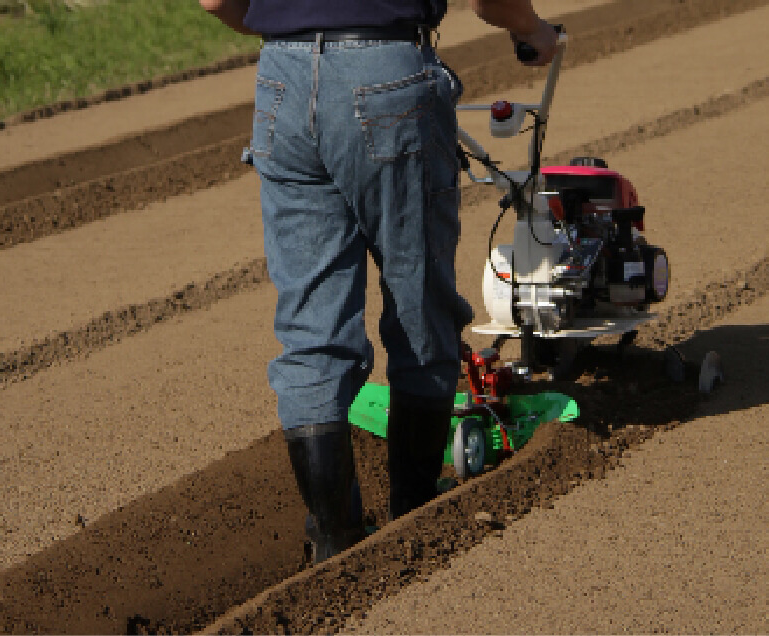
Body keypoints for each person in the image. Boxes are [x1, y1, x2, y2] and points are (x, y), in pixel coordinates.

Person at [199, 0, 563, 562]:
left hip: (284, 82)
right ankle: (413, 518)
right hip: (385, 74)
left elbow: (215, 1)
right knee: (419, 306)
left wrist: (290, 27)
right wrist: (532, 30)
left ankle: (335, 540)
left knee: (311, 332)